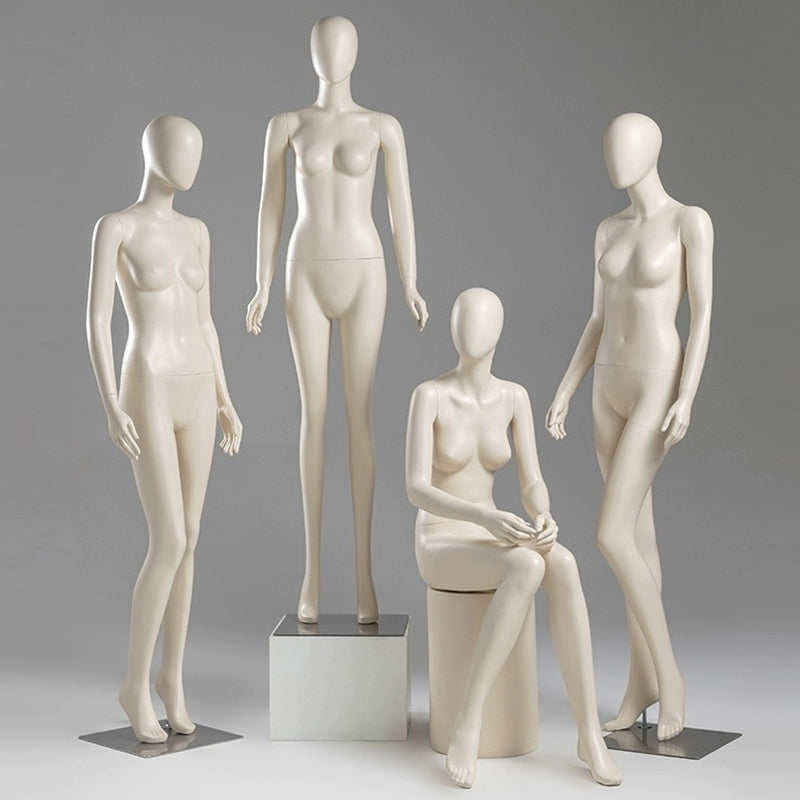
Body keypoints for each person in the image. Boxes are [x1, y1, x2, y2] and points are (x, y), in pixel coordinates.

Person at [246, 16, 427, 624]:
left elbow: (400, 209)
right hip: (304, 269)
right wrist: (261, 282)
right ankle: (313, 575)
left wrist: (410, 280)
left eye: (343, 43)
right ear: (312, 53)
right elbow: (271, 206)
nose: (334, 52)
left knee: (359, 417)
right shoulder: (286, 124)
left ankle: (364, 577)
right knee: (314, 416)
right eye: (324, 43)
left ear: (356, 52)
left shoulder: (382, 127)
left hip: (365, 269)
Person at [406, 288, 621, 788]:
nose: (470, 329)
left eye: (481, 320)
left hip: (492, 530)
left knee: (562, 562)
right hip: (441, 537)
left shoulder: (514, 397)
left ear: (499, 330)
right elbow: (416, 488)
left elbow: (531, 481)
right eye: (462, 319)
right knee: (526, 565)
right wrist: (482, 515)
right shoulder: (429, 395)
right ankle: (468, 720)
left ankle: (588, 733)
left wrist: (542, 513)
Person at [546, 112, 713, 740]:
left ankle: (671, 677)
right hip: (606, 387)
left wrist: (687, 394)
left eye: (627, 144)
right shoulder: (607, 229)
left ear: (653, 149)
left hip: (655, 381)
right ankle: (641, 682)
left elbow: (702, 315)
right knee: (640, 539)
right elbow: (597, 319)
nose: (616, 156)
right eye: (609, 145)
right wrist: (566, 388)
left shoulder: (689, 221)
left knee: (611, 534)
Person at [86, 116, 242, 743]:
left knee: (192, 537)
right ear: (153, 153)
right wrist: (110, 403)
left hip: (198, 384)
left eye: (198, 151)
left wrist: (226, 396)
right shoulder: (117, 227)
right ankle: (133, 683)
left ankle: (172, 678)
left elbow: (206, 321)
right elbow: (97, 321)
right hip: (148, 380)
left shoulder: (198, 232)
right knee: (169, 538)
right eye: (181, 149)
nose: (191, 161)